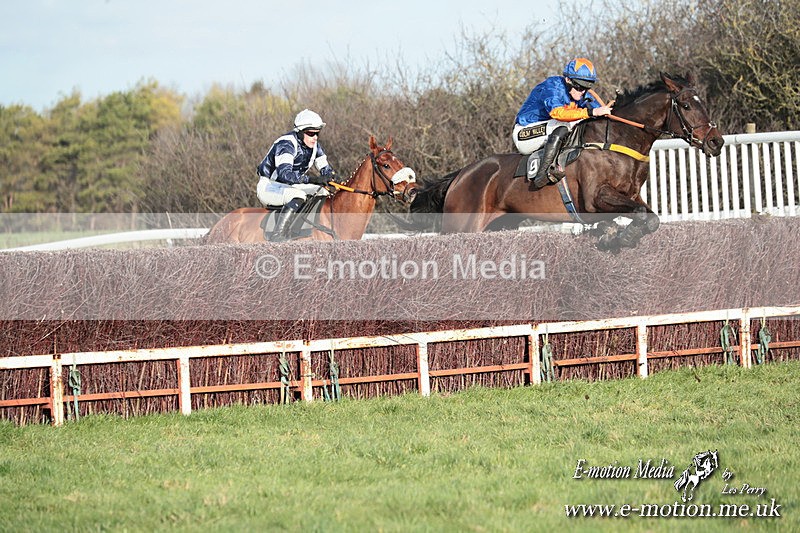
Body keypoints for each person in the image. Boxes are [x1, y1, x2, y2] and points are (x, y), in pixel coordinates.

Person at [513, 58, 614, 190]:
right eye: (579, 86)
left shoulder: (582, 93)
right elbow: (558, 113)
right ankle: (543, 174)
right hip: (525, 133)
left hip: (549, 130)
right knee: (565, 123)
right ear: (568, 80)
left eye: (586, 87)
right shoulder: (552, 86)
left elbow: (597, 114)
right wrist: (591, 112)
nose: (582, 91)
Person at [256, 109, 338, 241]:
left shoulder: (315, 146)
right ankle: (278, 235)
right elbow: (284, 174)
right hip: (270, 186)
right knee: (298, 195)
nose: (315, 137)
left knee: (323, 191)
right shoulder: (286, 144)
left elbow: (325, 168)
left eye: (317, 133)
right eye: (311, 133)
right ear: (300, 132)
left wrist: (330, 177)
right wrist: (313, 179)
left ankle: (306, 228)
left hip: (290, 186)